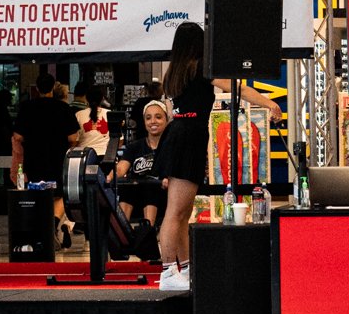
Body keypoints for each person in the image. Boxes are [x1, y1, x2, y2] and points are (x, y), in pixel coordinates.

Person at [154, 21, 281, 291]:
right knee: (175, 212)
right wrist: (269, 102)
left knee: (183, 211)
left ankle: (185, 268)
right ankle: (167, 272)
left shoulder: (174, 72)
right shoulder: (200, 67)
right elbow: (239, 88)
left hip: (181, 134)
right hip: (188, 136)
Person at [12, 70, 83, 248]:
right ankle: (53, 222)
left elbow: (18, 136)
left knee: (37, 192)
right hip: (57, 160)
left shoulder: (27, 107)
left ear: (37, 88)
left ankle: (41, 229)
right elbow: (73, 137)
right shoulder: (63, 108)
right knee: (59, 195)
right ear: (53, 87)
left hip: (34, 159)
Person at [113, 97, 169, 229]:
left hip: (161, 196)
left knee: (151, 187)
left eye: (158, 117)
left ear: (167, 120)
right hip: (135, 196)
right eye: (148, 118)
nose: (153, 121)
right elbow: (121, 168)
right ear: (144, 122)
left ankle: (148, 231)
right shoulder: (135, 147)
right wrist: (108, 177)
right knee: (128, 188)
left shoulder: (171, 146)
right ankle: (122, 231)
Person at [76, 82, 112, 160]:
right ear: (102, 99)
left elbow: (75, 140)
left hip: (83, 156)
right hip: (105, 157)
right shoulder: (110, 114)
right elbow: (119, 140)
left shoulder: (79, 115)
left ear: (86, 98)